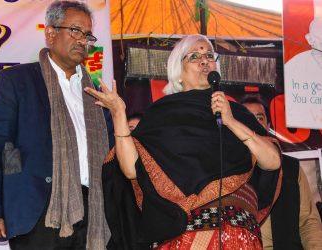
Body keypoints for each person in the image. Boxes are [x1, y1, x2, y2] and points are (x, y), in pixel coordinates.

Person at [85, 34, 282, 249]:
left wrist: (231, 121)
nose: (204, 61)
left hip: (240, 235)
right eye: (194, 56)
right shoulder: (162, 114)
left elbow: (272, 161)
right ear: (178, 72)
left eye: (209, 55)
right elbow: (132, 170)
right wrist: (118, 114)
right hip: (188, 237)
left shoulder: (236, 112)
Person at [0, 1, 113, 249]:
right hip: (38, 212)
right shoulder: (18, 81)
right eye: (75, 30)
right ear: (50, 33)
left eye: (88, 34)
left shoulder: (96, 93)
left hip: (93, 213)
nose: (83, 40)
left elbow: (113, 154)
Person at [241, 95, 322, 250]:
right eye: (246, 118)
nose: (253, 124)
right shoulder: (228, 169)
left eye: (259, 118)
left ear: (268, 126)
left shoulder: (291, 168)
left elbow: (308, 222)